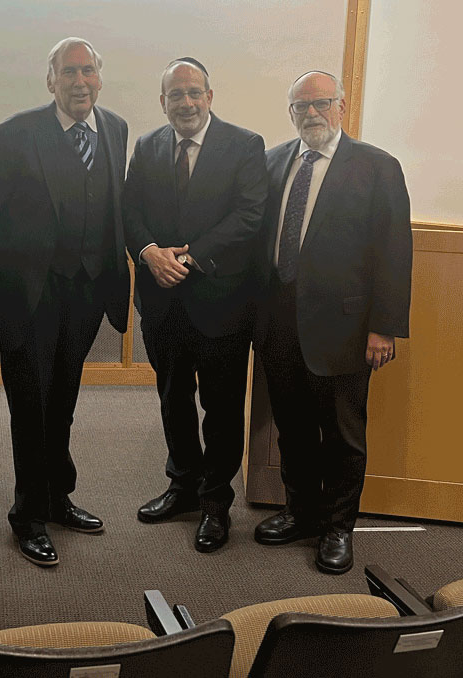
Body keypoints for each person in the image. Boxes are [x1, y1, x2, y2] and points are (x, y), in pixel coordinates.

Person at [253, 71, 411, 574]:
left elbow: (393, 252)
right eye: (302, 106)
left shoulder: (377, 167)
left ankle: (339, 527)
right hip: (279, 326)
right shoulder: (274, 161)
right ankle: (300, 511)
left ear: (342, 106)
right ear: (291, 112)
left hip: (345, 330)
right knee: (293, 427)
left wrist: (384, 327)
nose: (312, 113)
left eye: (322, 103)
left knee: (342, 435)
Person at [0, 38, 129, 567]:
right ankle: (27, 514)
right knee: (30, 404)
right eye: (69, 72)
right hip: (29, 296)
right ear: (51, 81)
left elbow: (112, 207)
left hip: (86, 293)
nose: (79, 81)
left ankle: (57, 497)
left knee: (63, 396)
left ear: (99, 78)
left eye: (88, 71)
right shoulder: (17, 133)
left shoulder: (114, 129)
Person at [124, 58, 267, 553]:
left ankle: (214, 503)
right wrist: (148, 252)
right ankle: (182, 485)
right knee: (172, 399)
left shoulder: (245, 145)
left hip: (222, 303)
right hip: (162, 303)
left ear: (210, 95)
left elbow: (250, 213)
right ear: (162, 101)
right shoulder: (146, 146)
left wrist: (191, 257)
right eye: (174, 95)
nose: (184, 102)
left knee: (222, 409)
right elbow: (130, 211)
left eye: (193, 93)